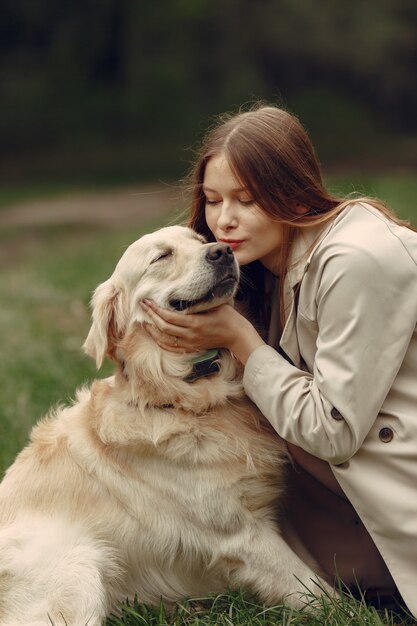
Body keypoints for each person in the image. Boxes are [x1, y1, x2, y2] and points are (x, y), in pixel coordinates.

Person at [140, 104, 417, 616]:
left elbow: (332, 429)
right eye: (213, 200)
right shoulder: (261, 267)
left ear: (293, 191)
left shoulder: (356, 261)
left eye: (247, 200)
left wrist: (242, 341)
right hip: (341, 512)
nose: (224, 221)